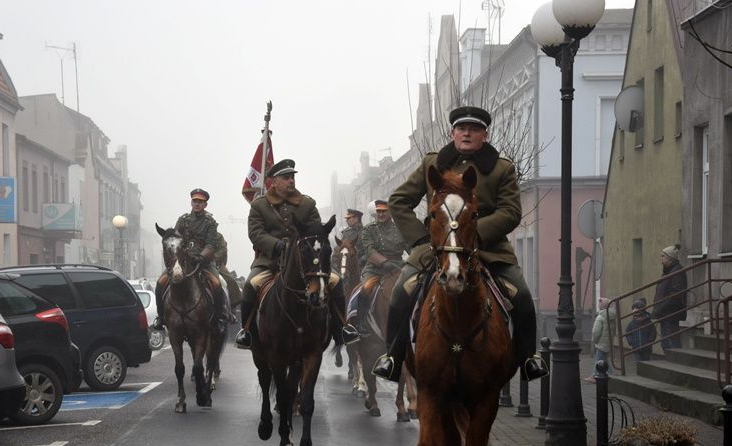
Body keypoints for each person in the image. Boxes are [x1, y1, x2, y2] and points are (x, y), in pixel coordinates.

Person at [372, 106, 546, 383]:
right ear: (452, 133)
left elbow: (511, 211)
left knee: (522, 297)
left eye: (474, 129)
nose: (467, 133)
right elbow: (399, 201)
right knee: (399, 294)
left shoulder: (502, 168)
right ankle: (392, 357)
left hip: (487, 249)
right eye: (461, 128)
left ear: (485, 135)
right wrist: (421, 239)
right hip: (437, 249)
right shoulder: (432, 164)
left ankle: (528, 358)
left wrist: (474, 234)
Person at [234, 159, 358, 350]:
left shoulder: (307, 203)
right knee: (251, 284)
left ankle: (342, 327)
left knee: (335, 281)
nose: (291, 181)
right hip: (269, 260)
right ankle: (247, 331)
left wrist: (301, 247)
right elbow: (256, 233)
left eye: (292, 177)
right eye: (286, 178)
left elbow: (318, 230)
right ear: (273, 181)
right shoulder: (260, 205)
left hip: (306, 261)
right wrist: (277, 246)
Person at [152, 188, 230, 334]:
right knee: (160, 283)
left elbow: (212, 244)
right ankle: (161, 317)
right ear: (191, 202)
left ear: (205, 205)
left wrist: (202, 256)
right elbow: (174, 239)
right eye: (195, 201)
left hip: (204, 262)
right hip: (182, 260)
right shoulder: (183, 220)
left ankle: (220, 317)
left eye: (200, 202)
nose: (197, 204)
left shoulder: (210, 222)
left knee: (218, 284)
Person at [346, 198, 408, 338]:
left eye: (384, 211)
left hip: (398, 266)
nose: (381, 214)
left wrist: (416, 259)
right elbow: (369, 250)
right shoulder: (369, 229)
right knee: (365, 289)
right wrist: (384, 262)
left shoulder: (399, 228)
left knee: (416, 285)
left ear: (390, 212)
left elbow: (409, 247)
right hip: (376, 268)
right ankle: (359, 324)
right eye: (379, 211)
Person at [652, 244, 687, 350]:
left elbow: (676, 294)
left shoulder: (677, 272)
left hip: (671, 313)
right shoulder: (668, 272)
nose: (660, 258)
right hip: (665, 313)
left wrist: (660, 308)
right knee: (666, 343)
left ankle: (678, 363)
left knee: (672, 343)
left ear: (669, 258)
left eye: (663, 256)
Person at [585, 297, 616, 382]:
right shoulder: (612, 316)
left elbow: (596, 331)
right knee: (604, 359)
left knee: (599, 360)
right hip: (608, 341)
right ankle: (611, 375)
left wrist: (595, 340)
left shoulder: (600, 317)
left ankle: (594, 376)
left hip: (601, 342)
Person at [625, 297, 656, 361]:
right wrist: (630, 341)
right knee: (638, 363)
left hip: (647, 348)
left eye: (640, 316)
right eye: (636, 316)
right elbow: (628, 333)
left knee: (646, 362)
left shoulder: (648, 323)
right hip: (636, 348)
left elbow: (653, 332)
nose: (638, 318)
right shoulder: (632, 324)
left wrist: (650, 340)